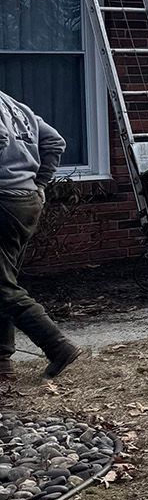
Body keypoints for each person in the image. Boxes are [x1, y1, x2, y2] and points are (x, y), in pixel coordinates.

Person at [0, 87, 80, 381]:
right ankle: (2, 363)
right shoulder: (12, 103)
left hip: (3, 199)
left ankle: (57, 346)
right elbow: (54, 141)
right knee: (5, 281)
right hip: (26, 199)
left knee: (2, 288)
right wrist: (41, 183)